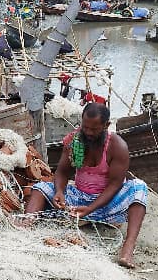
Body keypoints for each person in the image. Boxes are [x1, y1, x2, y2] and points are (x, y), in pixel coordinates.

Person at [23, 103, 148, 268]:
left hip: (108, 202)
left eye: (94, 129)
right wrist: (60, 192)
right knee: (40, 188)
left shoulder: (117, 146)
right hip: (79, 198)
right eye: (85, 127)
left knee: (139, 188)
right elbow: (62, 172)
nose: (88, 133)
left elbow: (115, 184)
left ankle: (128, 248)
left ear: (106, 126)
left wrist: (91, 208)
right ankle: (24, 227)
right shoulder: (73, 140)